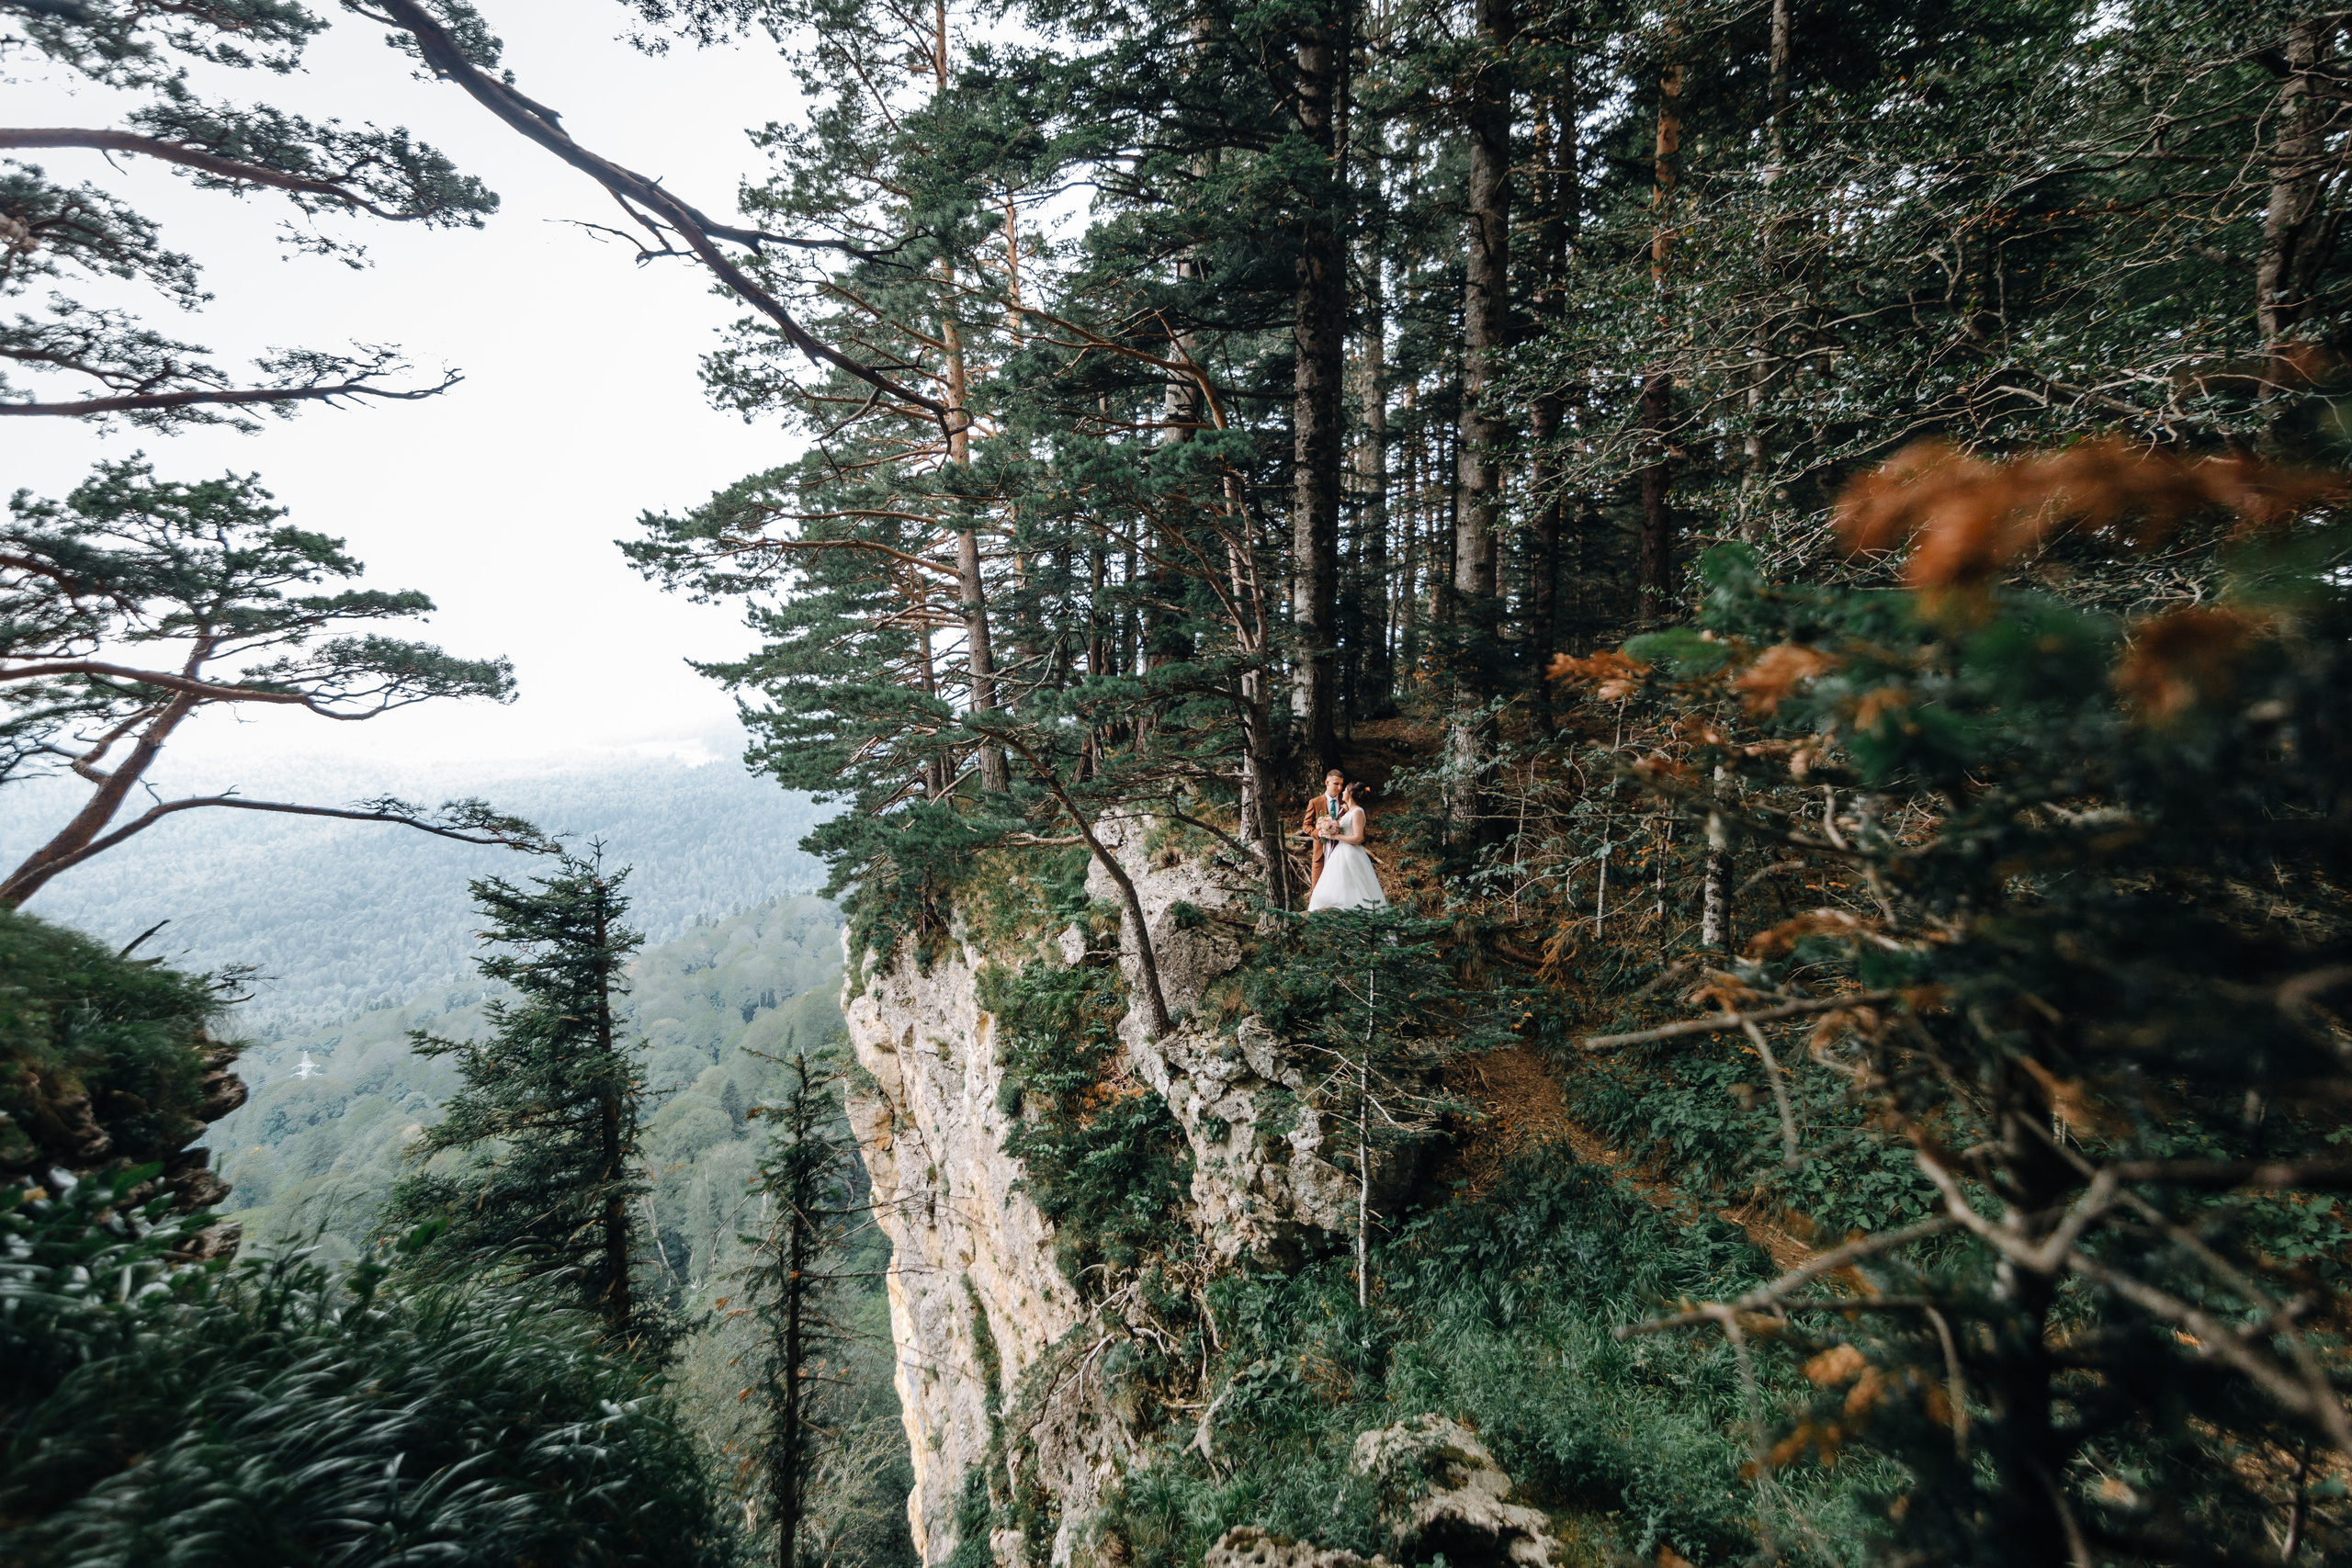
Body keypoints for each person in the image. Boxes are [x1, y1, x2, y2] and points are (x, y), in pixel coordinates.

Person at [1306, 781, 1387, 912]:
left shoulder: (1357, 812)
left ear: (1350, 794)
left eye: (1344, 790)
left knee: (1354, 886)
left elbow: (1358, 838)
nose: (1342, 792)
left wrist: (1334, 837)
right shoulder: (1349, 811)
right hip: (1340, 852)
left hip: (1351, 853)